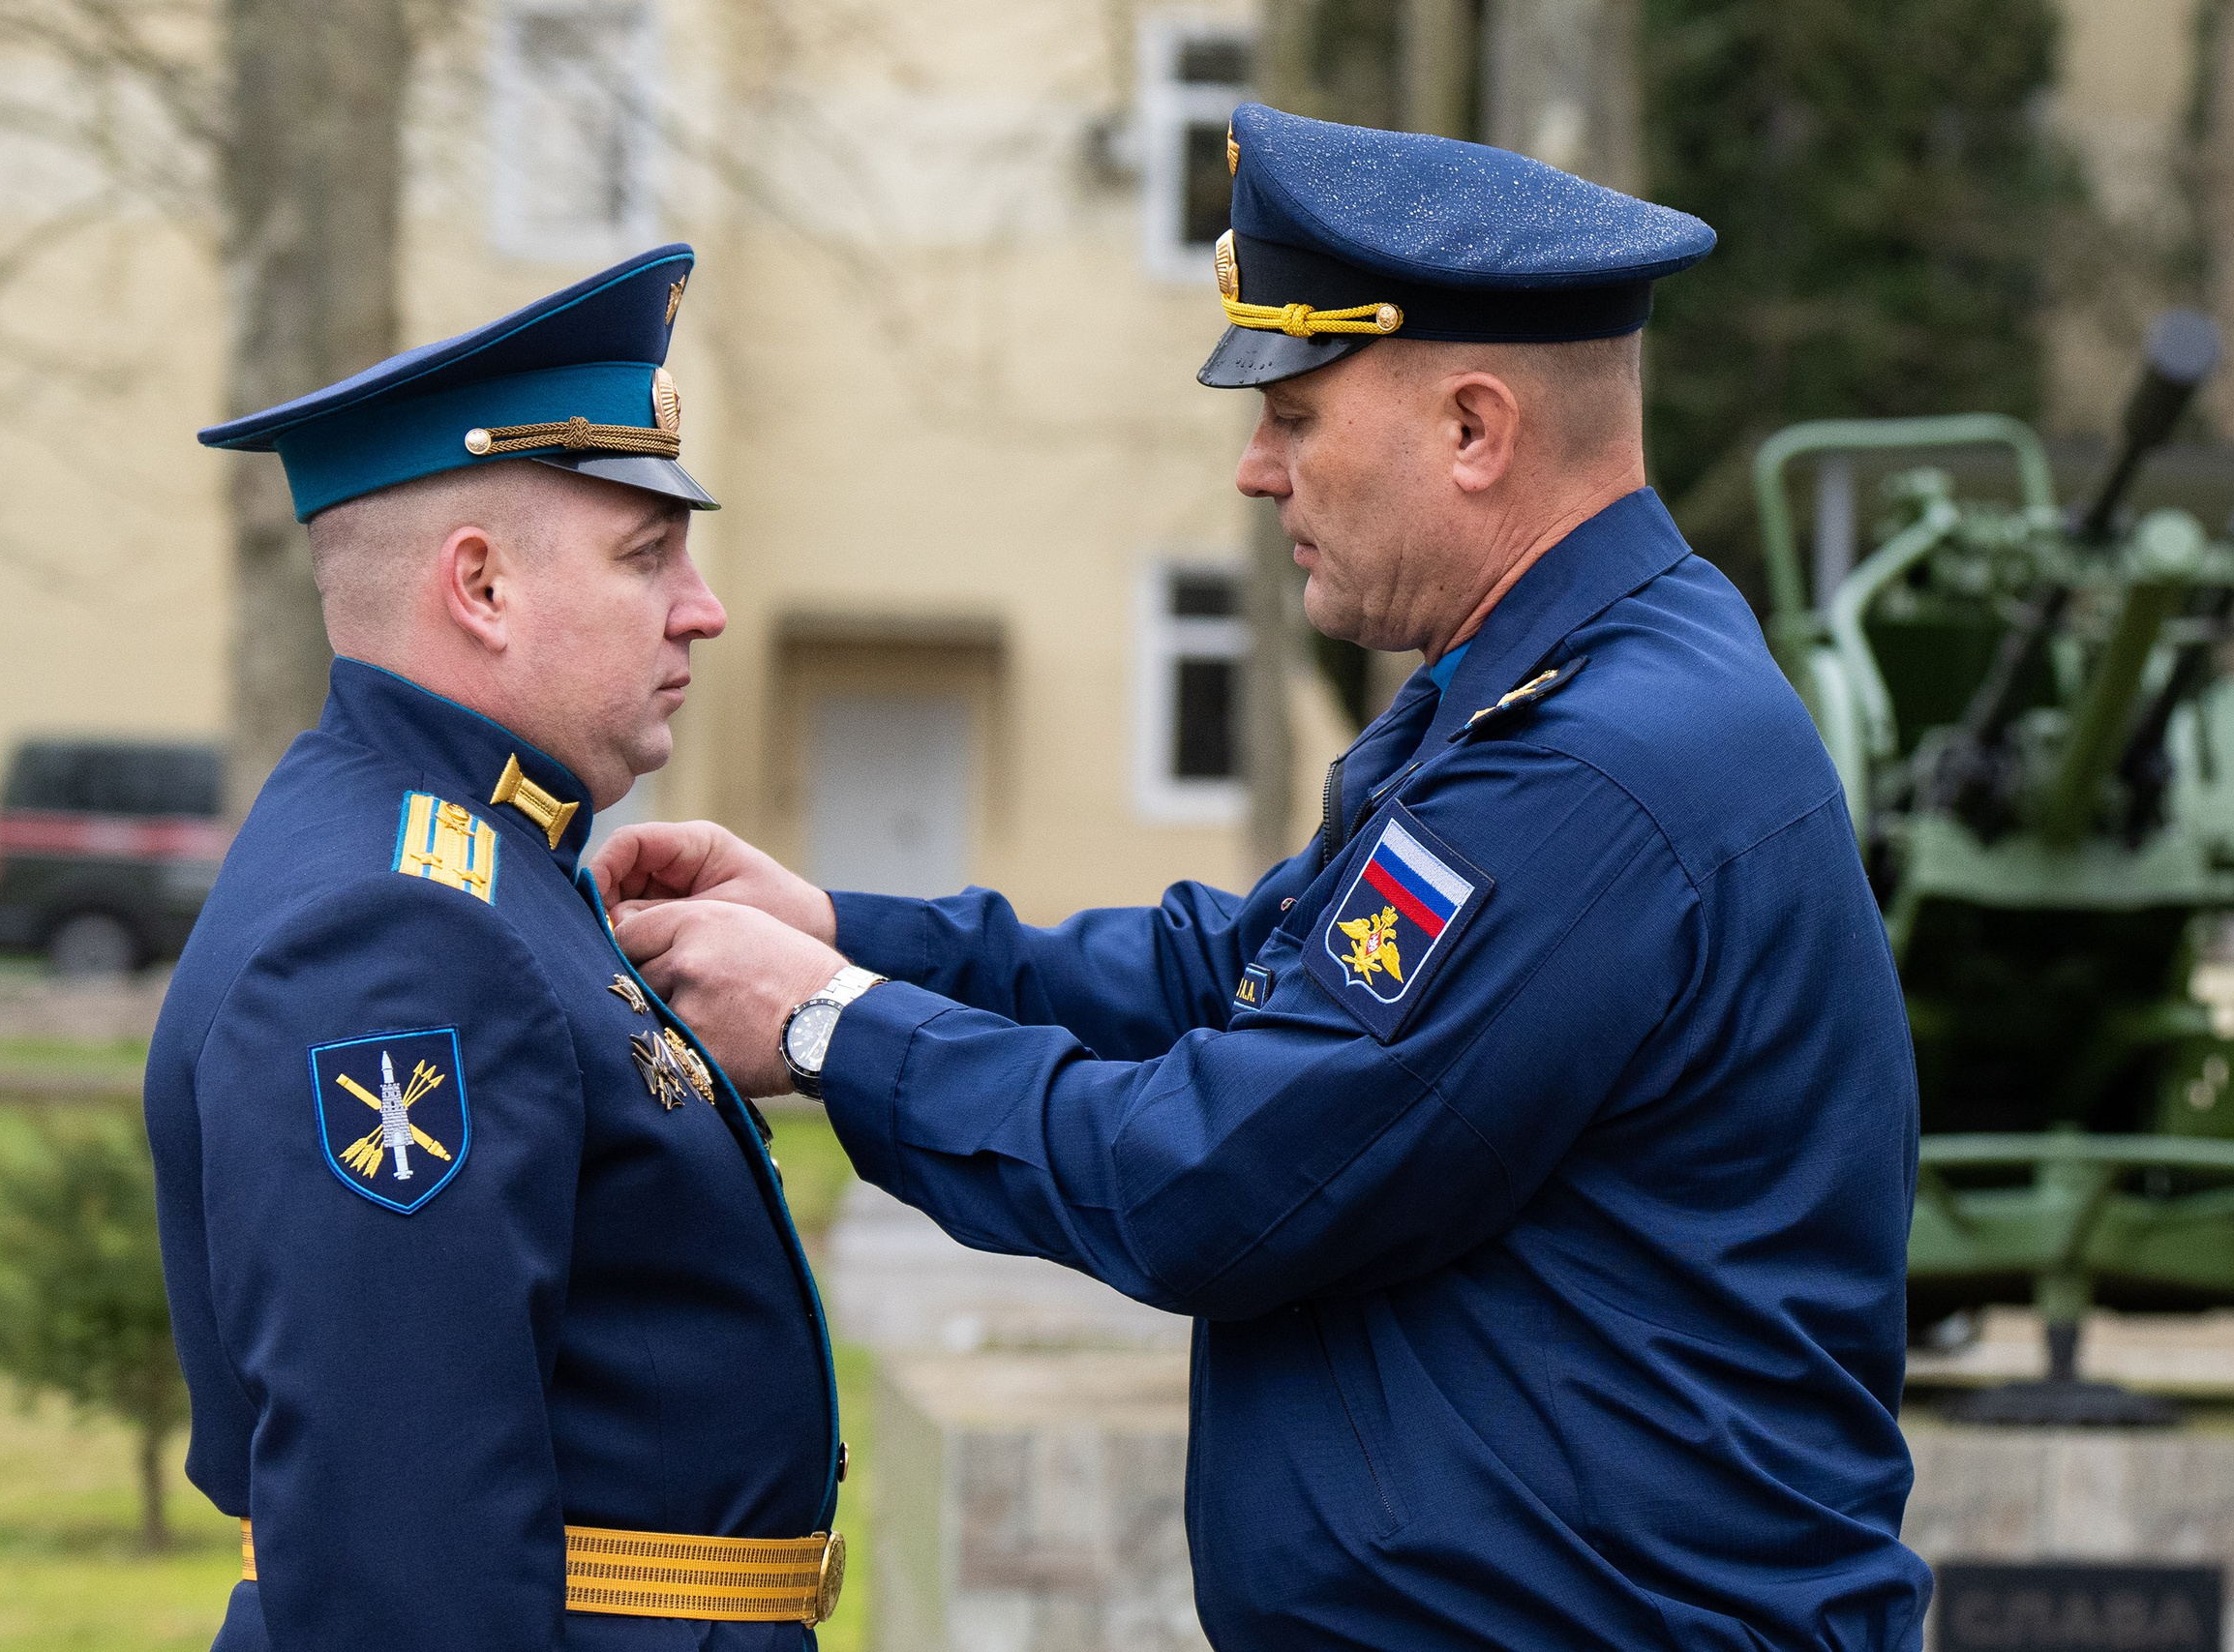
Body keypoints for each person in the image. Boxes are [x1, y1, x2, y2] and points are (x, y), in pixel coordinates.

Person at [605, 105, 1932, 1648]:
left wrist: (831, 1024)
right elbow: (1235, 974)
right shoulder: (1555, 692)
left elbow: (1219, 1178)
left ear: (1474, 431)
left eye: (1295, 417)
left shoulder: (1585, 768)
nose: (1255, 472)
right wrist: (843, 932)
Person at [144, 245, 851, 1652]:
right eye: (647, 555)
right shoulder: (396, 935)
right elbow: (399, 1560)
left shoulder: (474, 857)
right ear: (480, 588)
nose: (702, 606)